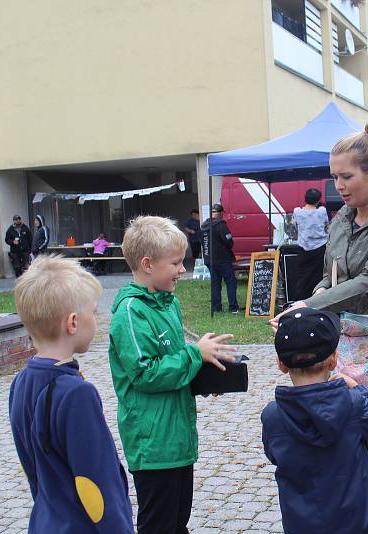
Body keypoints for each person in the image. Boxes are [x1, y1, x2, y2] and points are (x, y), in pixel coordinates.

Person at [270, 123, 368, 533]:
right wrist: (303, 306)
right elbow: (330, 276)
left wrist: (313, 301)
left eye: (346, 176)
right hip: (344, 346)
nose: (338, 185)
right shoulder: (341, 219)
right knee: (356, 453)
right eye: (334, 176)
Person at [108, 215, 237, 534]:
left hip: (178, 437)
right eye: (176, 263)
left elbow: (172, 361)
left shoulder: (168, 304)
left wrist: (202, 373)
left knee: (178, 520)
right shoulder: (130, 313)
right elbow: (145, 373)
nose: (183, 270)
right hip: (153, 445)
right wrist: (195, 354)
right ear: (148, 264)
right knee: (158, 524)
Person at [8, 255, 134, 533]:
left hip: (45, 521)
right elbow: (98, 480)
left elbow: (34, 472)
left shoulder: (20, 382)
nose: (97, 318)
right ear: (73, 322)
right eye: (94, 311)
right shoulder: (77, 393)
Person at [262, 307, 368, 534]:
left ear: (281, 365)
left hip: (304, 524)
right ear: (334, 360)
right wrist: (357, 388)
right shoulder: (353, 403)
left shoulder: (273, 415)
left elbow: (274, 454)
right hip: (362, 521)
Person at [200, 203, 239, 313]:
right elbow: (229, 241)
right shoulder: (220, 225)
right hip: (222, 259)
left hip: (209, 259)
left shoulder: (204, 226)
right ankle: (233, 307)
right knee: (230, 281)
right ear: (221, 213)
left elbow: (202, 242)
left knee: (215, 283)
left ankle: (216, 308)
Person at [293, 188, 329, 301]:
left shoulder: (297, 211)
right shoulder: (322, 211)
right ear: (318, 200)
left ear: (305, 198)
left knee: (302, 277)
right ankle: (316, 300)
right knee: (318, 277)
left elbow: (294, 226)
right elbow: (326, 225)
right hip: (320, 247)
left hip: (303, 247)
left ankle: (298, 301)